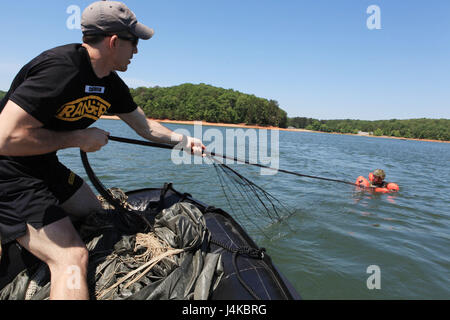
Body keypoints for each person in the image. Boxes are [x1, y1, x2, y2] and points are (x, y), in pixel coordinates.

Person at [0, 1, 204, 300]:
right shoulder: (60, 69)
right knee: (71, 259)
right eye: (134, 42)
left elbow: (146, 128)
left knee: (94, 212)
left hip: (42, 165)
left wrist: (184, 141)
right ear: (113, 41)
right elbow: (4, 138)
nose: (136, 51)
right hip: (8, 170)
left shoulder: (111, 84)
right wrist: (77, 138)